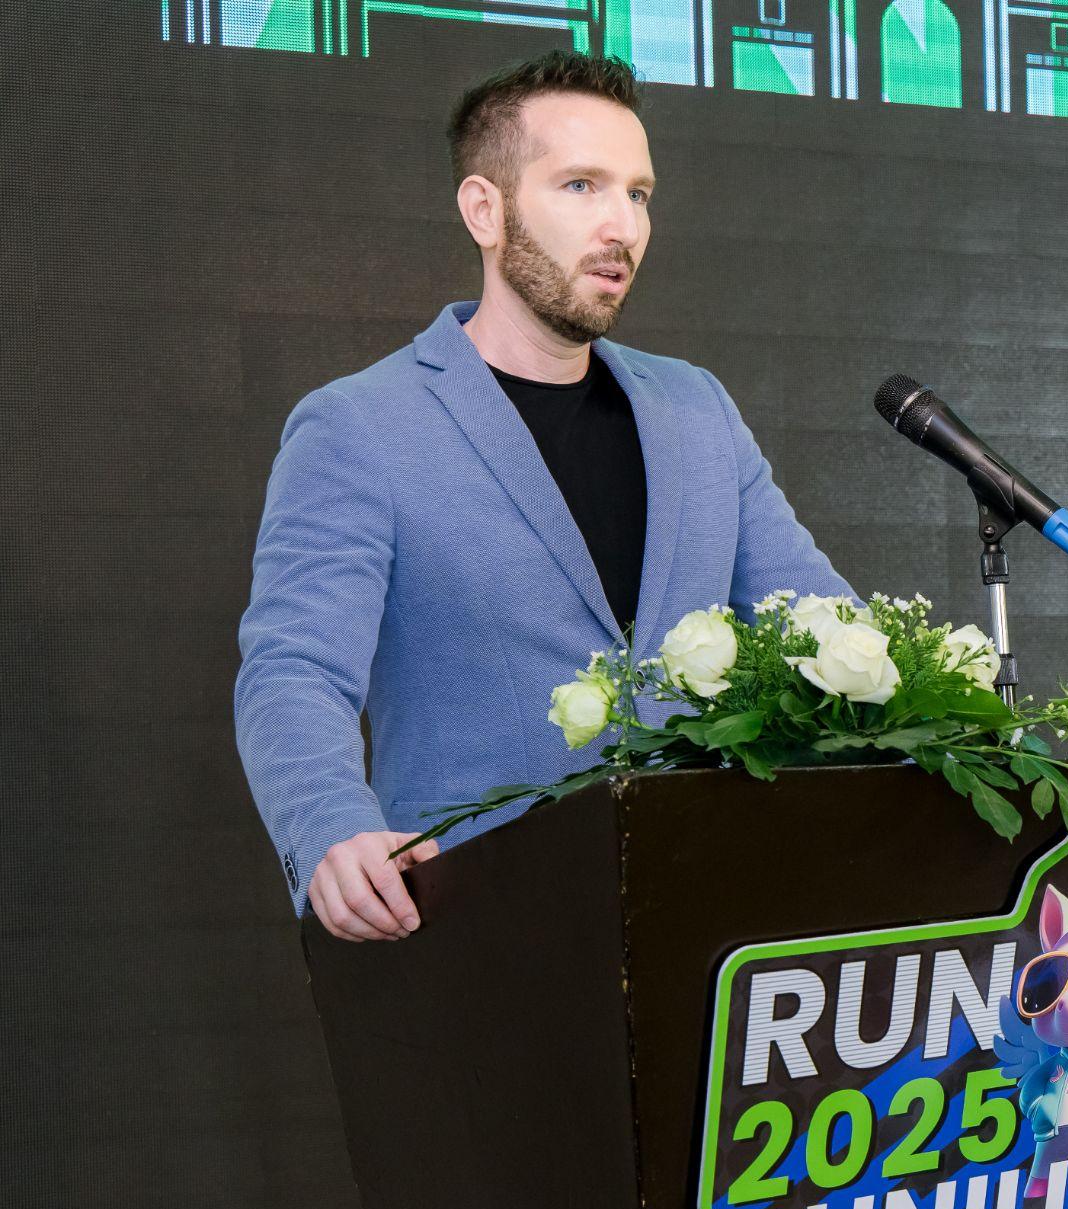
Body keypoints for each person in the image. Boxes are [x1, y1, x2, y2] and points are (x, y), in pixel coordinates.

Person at [234, 51, 851, 943]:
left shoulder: (698, 409)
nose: (622, 226)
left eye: (638, 194)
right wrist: (331, 827)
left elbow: (825, 626)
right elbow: (294, 670)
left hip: (709, 928)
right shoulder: (358, 425)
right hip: (475, 934)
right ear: (484, 210)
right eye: (581, 186)